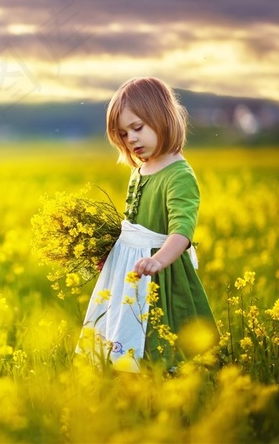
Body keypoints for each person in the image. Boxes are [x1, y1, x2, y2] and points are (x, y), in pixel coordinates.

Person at [76, 77, 217, 372]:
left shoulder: (178, 175)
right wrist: (110, 252)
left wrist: (158, 260)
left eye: (137, 128)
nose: (131, 140)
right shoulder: (141, 169)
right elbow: (132, 222)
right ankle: (125, 374)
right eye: (123, 134)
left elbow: (182, 231)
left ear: (162, 118)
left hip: (160, 271)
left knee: (158, 330)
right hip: (129, 266)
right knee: (122, 324)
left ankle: (164, 381)